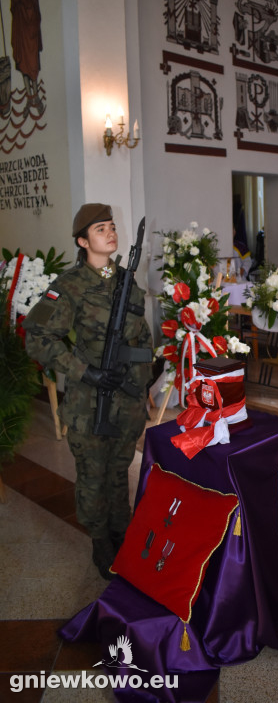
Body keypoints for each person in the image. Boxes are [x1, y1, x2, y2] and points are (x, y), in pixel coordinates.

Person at [23, 204, 153, 579]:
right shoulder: (68, 287)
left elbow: (140, 335)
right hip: (88, 400)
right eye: (100, 229)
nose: (110, 233)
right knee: (94, 475)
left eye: (112, 227)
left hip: (125, 400)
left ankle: (122, 532)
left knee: (118, 471)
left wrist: (143, 379)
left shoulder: (126, 279)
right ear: (83, 241)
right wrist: (87, 373)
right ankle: (101, 542)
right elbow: (38, 339)